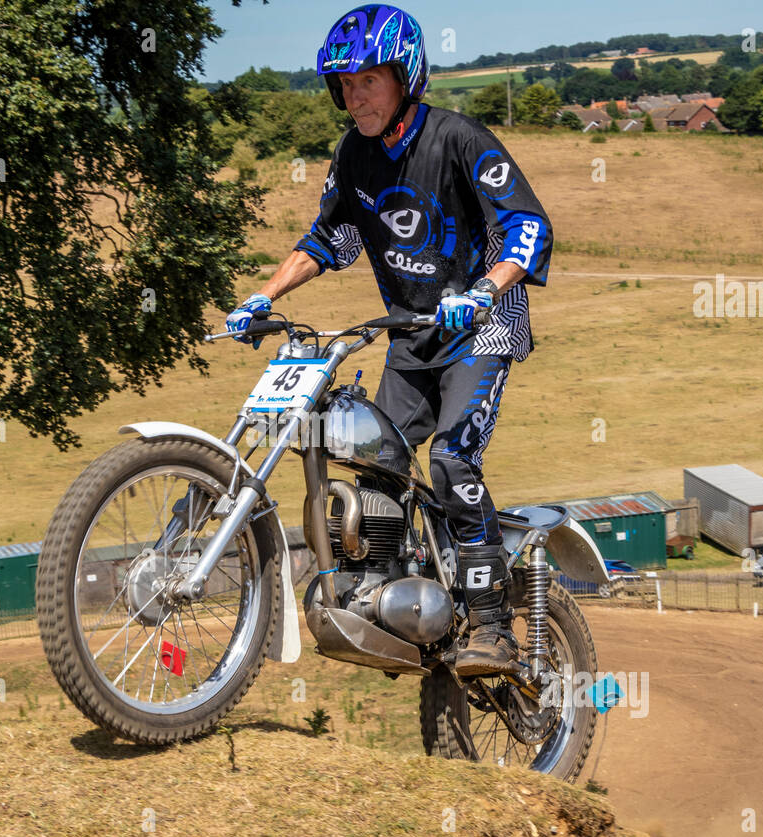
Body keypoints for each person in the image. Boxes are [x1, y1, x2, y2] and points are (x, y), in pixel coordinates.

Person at [224, 4, 552, 677]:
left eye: (367, 80)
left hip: (482, 329)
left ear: (405, 76)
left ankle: (494, 626)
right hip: (410, 335)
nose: (354, 96)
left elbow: (529, 228)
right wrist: (265, 295)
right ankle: (403, 599)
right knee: (377, 465)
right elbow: (330, 238)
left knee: (454, 461)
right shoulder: (353, 155)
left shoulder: (459, 137)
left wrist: (486, 291)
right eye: (343, 85)